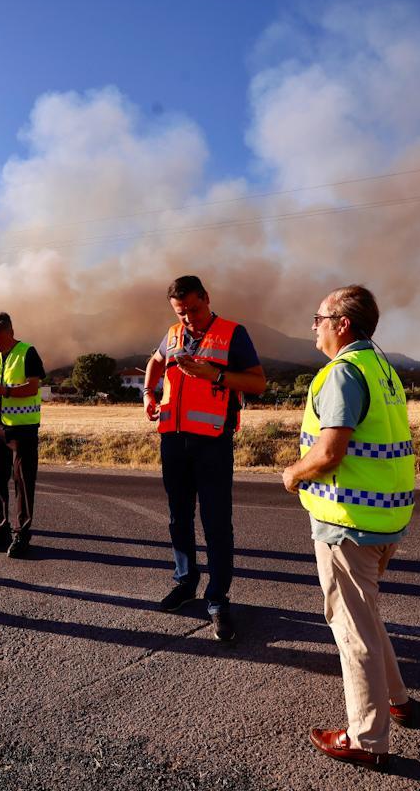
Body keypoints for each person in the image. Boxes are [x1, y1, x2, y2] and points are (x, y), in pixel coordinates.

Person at [280, 285, 415, 768]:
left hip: (348, 523)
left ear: (341, 324)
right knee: (366, 615)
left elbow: (330, 451)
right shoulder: (382, 368)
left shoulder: (343, 372)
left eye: (318, 318)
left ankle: (366, 739)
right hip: (385, 517)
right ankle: (397, 698)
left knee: (351, 629)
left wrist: (294, 473)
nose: (313, 326)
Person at [143, 275, 265, 642]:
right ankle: (185, 583)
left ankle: (217, 600)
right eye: (181, 312)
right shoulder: (173, 334)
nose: (188, 318)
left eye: (194, 310)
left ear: (207, 299)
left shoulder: (233, 334)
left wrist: (216, 374)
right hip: (172, 440)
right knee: (178, 517)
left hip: (212, 443)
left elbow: (258, 383)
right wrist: (148, 394)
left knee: (216, 523)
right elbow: (155, 360)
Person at [0, 312, 46, 558]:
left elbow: (33, 387)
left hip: (23, 429)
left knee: (23, 483)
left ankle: (21, 535)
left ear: (11, 332)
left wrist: (1, 390)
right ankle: (1, 530)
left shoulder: (28, 352)